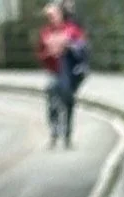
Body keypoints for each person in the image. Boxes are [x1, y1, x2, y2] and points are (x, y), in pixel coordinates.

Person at [35, 3, 87, 149]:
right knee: (52, 101)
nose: (50, 19)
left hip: (69, 74)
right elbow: (40, 53)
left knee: (68, 103)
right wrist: (48, 54)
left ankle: (67, 135)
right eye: (48, 17)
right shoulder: (45, 33)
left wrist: (70, 47)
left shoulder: (72, 30)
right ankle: (54, 132)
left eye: (52, 15)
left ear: (60, 15)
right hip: (53, 72)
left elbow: (83, 49)